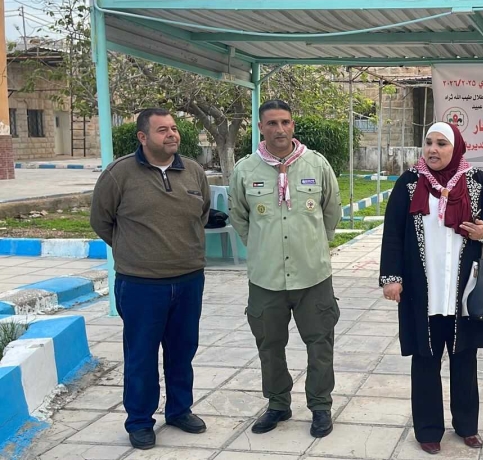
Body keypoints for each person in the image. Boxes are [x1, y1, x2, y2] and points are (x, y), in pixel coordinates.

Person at [379, 122, 483, 455]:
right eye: (429, 143)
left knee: (465, 360)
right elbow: (392, 233)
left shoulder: (476, 181)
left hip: (464, 292)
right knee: (425, 361)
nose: (433, 149)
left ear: (456, 147)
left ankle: (467, 427)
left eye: (441, 144)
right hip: (423, 291)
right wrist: (391, 277)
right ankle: (428, 430)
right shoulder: (409, 183)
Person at [90, 108, 210, 450]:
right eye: (162, 130)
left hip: (188, 279)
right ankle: (140, 421)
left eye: (174, 128)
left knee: (182, 350)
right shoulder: (119, 174)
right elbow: (101, 220)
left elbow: (201, 214)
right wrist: (135, 251)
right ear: (142, 137)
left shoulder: (193, 171)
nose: (172, 134)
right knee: (141, 355)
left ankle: (179, 410)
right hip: (141, 284)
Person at [229, 99, 342, 438]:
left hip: (313, 276)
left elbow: (331, 212)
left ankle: (320, 406)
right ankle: (278, 403)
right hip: (266, 279)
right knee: (269, 345)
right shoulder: (245, 170)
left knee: (320, 344)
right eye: (272, 123)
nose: (280, 129)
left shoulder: (316, 164)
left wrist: (312, 245)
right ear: (260, 128)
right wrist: (263, 248)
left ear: (293, 125)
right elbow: (240, 218)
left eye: (285, 122)